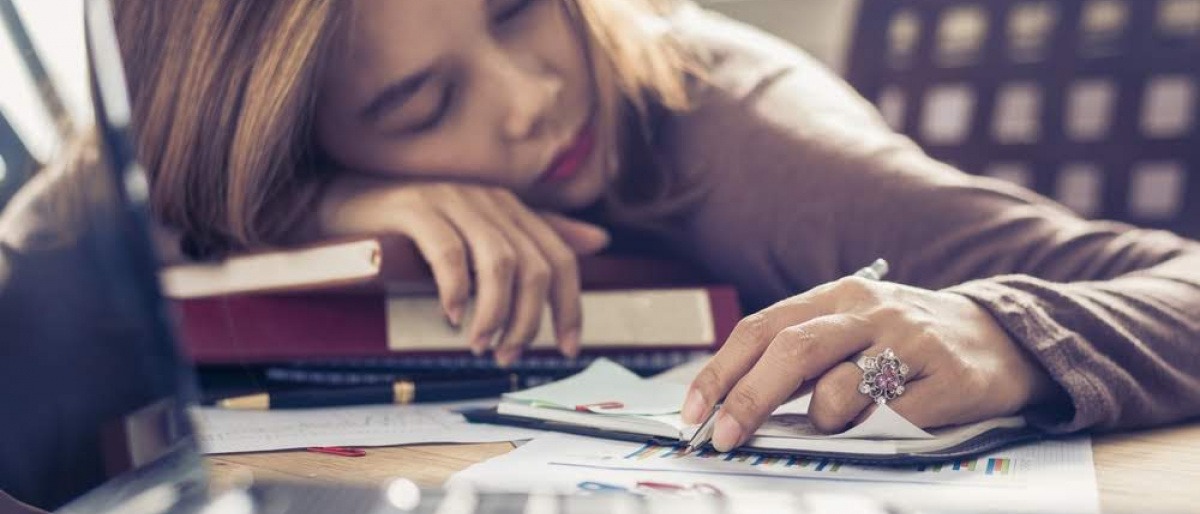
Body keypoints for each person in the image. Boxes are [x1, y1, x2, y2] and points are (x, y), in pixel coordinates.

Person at [107, 0, 1200, 452]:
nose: (530, 94)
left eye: (518, 4)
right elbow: (131, 198)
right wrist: (335, 203)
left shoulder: (764, 161)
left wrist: (999, 326)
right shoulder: (334, 173)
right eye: (420, 106)